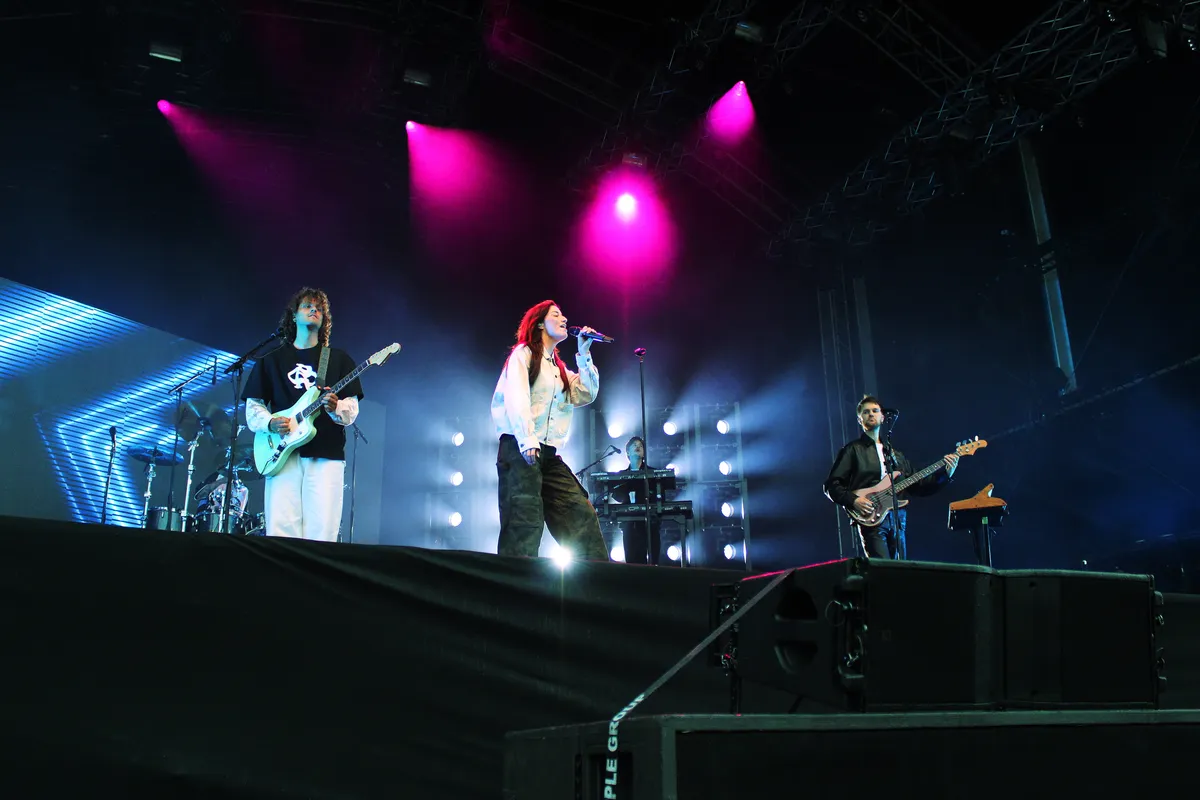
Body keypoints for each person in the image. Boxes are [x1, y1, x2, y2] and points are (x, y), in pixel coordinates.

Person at [241, 287, 364, 542]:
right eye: (307, 305)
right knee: (281, 531)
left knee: (322, 533)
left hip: (326, 454)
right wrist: (270, 422)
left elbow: (351, 410)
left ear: (324, 320)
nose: (314, 310)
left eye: (319, 308)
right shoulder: (270, 360)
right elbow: (253, 407)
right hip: (282, 453)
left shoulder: (339, 360)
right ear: (293, 316)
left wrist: (335, 407)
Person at [491, 300, 609, 560]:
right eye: (556, 314)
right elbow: (516, 396)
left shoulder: (558, 369)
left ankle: (596, 578)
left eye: (563, 314)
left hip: (547, 454)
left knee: (579, 514)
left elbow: (586, 393)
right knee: (524, 522)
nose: (564, 318)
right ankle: (516, 581)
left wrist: (584, 354)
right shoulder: (523, 354)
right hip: (519, 447)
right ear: (540, 324)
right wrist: (526, 439)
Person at [823, 395, 959, 560]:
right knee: (882, 568)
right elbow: (832, 485)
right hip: (871, 517)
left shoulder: (896, 455)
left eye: (875, 411)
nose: (871, 414)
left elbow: (918, 485)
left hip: (897, 518)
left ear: (882, 418)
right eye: (866, 412)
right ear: (860, 420)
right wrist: (854, 500)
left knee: (900, 569)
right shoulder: (852, 450)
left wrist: (946, 474)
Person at [609, 435, 663, 565]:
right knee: (632, 564)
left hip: (650, 523)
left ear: (644, 452)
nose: (638, 447)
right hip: (629, 525)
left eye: (640, 446)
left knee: (653, 564)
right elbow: (617, 495)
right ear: (627, 452)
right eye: (634, 445)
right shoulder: (621, 475)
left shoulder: (652, 473)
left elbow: (660, 494)